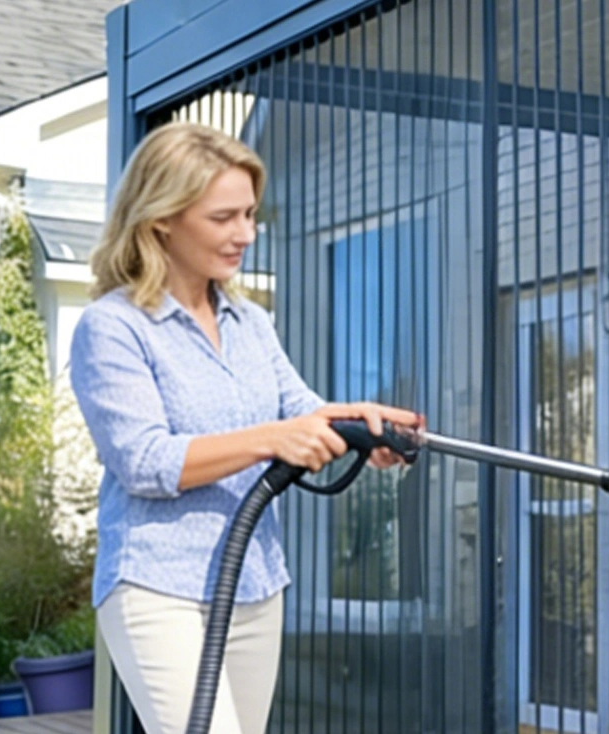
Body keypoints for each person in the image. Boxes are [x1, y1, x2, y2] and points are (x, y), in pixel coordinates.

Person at [69, 121, 420, 734]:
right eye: (224, 217)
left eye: (251, 215)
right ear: (161, 220)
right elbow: (145, 461)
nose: (245, 235)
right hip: (159, 587)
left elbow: (301, 409)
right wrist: (271, 439)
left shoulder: (250, 323)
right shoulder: (114, 328)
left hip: (256, 583)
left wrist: (365, 426)